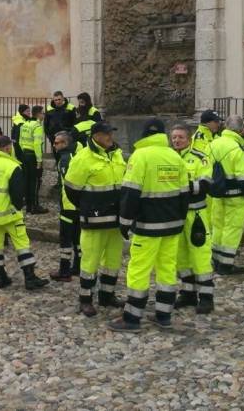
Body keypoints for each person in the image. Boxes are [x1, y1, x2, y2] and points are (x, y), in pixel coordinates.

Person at [109, 118, 189, 332]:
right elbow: (184, 193)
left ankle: (132, 317)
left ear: (144, 135)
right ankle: (164, 314)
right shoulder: (175, 156)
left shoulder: (140, 156)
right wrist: (180, 220)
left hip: (147, 226)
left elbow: (130, 193)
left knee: (139, 270)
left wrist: (124, 223)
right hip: (172, 225)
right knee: (167, 269)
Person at [63, 122, 126, 316]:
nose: (110, 137)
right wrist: (88, 207)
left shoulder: (117, 154)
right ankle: (86, 299)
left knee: (113, 260)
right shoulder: (83, 158)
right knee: (90, 261)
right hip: (94, 220)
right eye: (106, 134)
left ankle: (107, 295)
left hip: (115, 220)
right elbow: (72, 189)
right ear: (96, 136)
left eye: (110, 133)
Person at [0, 135, 49, 290]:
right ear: (8, 148)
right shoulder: (13, 166)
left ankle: (0, 277)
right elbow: (17, 193)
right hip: (9, 213)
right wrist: (17, 207)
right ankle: (29, 277)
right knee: (22, 244)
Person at [170, 124, 215, 315]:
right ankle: (187, 292)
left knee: (200, 255)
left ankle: (206, 297)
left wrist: (180, 186)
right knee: (180, 256)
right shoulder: (168, 158)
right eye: (174, 138)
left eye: (180, 137)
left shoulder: (200, 158)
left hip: (195, 215)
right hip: (175, 215)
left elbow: (205, 184)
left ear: (189, 139)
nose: (177, 141)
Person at [210, 115, 244, 275]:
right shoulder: (238, 148)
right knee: (232, 229)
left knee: (218, 226)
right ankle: (226, 264)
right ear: (240, 129)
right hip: (236, 196)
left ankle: (215, 260)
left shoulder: (214, 143)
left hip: (217, 193)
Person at [50, 131, 81, 281]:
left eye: (56, 143)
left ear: (64, 144)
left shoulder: (64, 159)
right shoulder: (76, 155)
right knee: (77, 238)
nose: (54, 145)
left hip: (68, 206)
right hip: (78, 206)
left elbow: (69, 184)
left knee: (65, 239)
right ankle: (78, 266)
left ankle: (64, 271)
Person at [19, 105, 48, 214]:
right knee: (35, 181)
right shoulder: (37, 126)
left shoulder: (25, 124)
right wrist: (39, 160)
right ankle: (35, 206)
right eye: (43, 113)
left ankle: (28, 206)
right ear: (39, 114)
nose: (44, 115)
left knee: (27, 181)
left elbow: (21, 141)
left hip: (25, 155)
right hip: (33, 156)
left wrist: (24, 152)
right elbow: (37, 144)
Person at [45, 91, 76, 161]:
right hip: (54, 139)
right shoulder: (49, 109)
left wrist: (70, 135)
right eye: (55, 100)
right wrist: (50, 136)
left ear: (63, 99)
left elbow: (75, 123)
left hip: (66, 138)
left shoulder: (71, 108)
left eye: (59, 99)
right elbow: (46, 124)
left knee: (67, 158)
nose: (57, 102)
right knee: (57, 158)